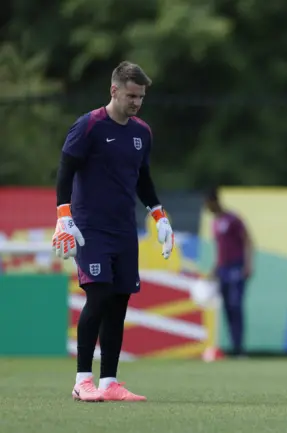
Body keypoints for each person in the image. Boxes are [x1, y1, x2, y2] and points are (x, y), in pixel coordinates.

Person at [52, 61, 174, 402]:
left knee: (119, 301)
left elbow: (143, 178)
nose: (136, 102)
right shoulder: (88, 126)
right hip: (90, 227)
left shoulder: (142, 132)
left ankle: (110, 382)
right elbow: (65, 170)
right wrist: (64, 216)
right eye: (131, 95)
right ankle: (82, 380)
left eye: (141, 97)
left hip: (124, 229)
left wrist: (159, 216)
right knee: (100, 295)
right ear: (114, 90)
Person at [205, 187, 253, 358]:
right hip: (223, 269)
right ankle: (234, 347)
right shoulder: (215, 223)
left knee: (235, 305)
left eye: (208, 204)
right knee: (226, 308)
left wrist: (248, 265)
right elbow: (220, 249)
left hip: (236, 267)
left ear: (214, 201)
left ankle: (240, 348)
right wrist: (214, 269)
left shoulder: (232, 219)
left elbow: (247, 240)